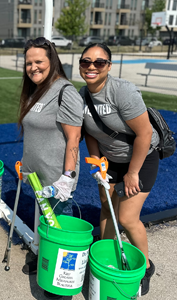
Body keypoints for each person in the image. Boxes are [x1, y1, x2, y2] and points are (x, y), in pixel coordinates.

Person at [78, 43, 158, 296]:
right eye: (86, 61)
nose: (91, 67)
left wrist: (132, 173)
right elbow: (89, 132)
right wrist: (95, 160)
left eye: (99, 62)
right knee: (106, 206)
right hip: (109, 161)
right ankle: (106, 256)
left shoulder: (121, 91)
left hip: (140, 160)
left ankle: (144, 266)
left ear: (108, 66)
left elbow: (145, 134)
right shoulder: (82, 95)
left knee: (126, 218)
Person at [18, 37, 83, 298]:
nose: (33, 67)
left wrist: (66, 178)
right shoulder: (36, 90)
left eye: (39, 62)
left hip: (57, 179)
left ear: (52, 61)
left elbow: (73, 139)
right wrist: (26, 167)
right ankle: (41, 254)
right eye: (29, 63)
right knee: (44, 224)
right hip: (36, 176)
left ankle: (60, 283)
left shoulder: (65, 91)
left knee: (58, 231)